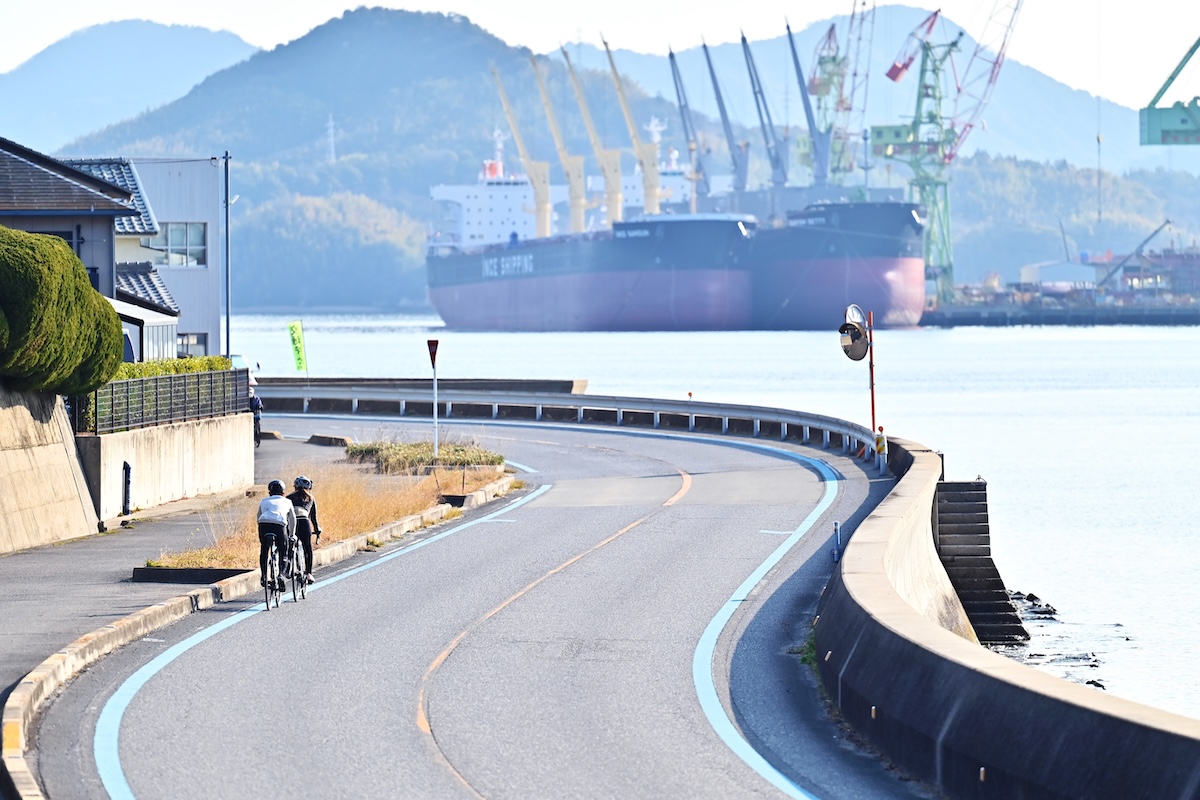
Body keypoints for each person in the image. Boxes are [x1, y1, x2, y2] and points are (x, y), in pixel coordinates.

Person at [257, 479, 295, 591]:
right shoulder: (287, 501)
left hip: (264, 524)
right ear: (283, 493)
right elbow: (292, 519)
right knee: (283, 551)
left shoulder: (264, 501)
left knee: (264, 550)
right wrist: (292, 535)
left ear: (269, 493)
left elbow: (258, 516)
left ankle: (264, 576)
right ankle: (281, 575)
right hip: (279, 525)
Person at [287, 475, 322, 585]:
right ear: (309, 487)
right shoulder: (311, 498)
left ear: (295, 486)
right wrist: (317, 529)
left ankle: (288, 567)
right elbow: (313, 517)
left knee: (289, 544)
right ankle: (309, 573)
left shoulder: (288, 498)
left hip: (291, 523)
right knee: (308, 548)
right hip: (304, 523)